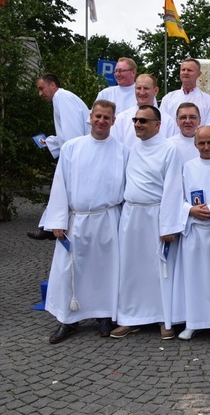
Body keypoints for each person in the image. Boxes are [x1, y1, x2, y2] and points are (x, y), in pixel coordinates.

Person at [44, 100, 127, 343]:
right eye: (98, 116)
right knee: (71, 269)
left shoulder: (122, 150)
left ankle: (104, 316)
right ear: (90, 117)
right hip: (77, 220)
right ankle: (68, 320)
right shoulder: (72, 147)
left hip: (108, 218)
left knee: (105, 270)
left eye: (107, 117)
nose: (101, 121)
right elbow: (60, 185)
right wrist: (58, 220)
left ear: (113, 121)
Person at [110, 105, 183, 340]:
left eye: (143, 121)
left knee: (159, 270)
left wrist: (168, 226)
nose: (138, 124)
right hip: (132, 216)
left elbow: (173, 189)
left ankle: (165, 318)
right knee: (131, 268)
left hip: (155, 216)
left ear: (157, 124)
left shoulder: (169, 150)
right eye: (136, 120)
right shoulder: (133, 149)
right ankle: (131, 317)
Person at [172, 126, 210, 340]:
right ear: (195, 145)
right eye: (201, 143)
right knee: (193, 279)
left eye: (209, 142)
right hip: (193, 230)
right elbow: (178, 197)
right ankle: (193, 322)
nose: (206, 147)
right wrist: (190, 210)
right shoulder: (188, 167)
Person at [27, 74, 91, 241]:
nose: (40, 93)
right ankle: (48, 226)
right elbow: (67, 134)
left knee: (63, 192)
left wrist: (70, 157)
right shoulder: (62, 98)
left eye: (41, 88)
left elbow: (73, 133)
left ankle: (51, 227)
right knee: (60, 192)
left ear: (53, 85)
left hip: (76, 155)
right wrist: (49, 141)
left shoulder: (62, 98)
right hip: (74, 152)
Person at [112, 74, 177, 148]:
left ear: (155, 91)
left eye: (146, 88)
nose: (142, 92)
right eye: (139, 88)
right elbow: (116, 148)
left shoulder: (168, 121)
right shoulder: (121, 119)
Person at [160, 58, 210, 130]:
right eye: (183, 70)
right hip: (172, 140)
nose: (185, 72)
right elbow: (162, 126)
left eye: (189, 70)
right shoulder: (168, 99)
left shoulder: (208, 101)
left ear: (199, 74)